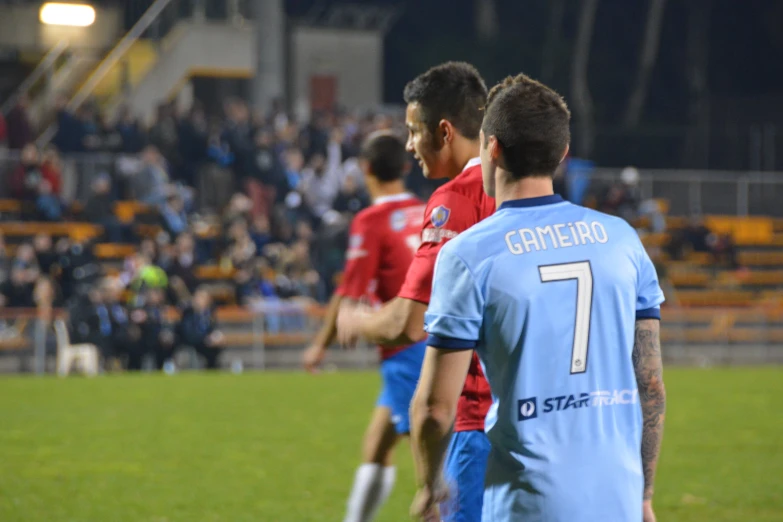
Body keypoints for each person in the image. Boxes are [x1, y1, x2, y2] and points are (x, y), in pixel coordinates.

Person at [409, 73, 667, 522]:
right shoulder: (623, 240)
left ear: (491, 147)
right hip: (617, 498)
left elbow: (434, 407)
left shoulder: (468, 254)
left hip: (528, 502)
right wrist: (643, 495)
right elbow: (651, 385)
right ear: (562, 154)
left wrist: (431, 487)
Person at [336, 62, 495, 522]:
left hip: (477, 419)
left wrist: (357, 321)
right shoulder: (524, 189)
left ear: (443, 131)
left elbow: (408, 322)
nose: (409, 145)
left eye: (413, 130)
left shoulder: (455, 200)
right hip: (545, 424)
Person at [301, 131, 426, 522]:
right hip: (435, 337)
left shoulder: (371, 220)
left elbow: (350, 291)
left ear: (367, 169)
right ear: (405, 168)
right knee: (376, 446)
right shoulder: (426, 210)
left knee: (434, 471)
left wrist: (321, 343)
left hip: (404, 345)